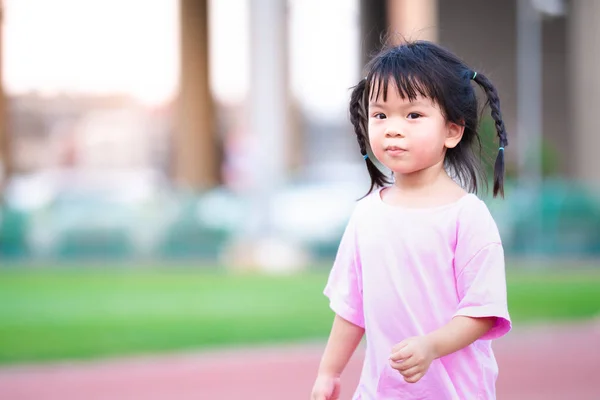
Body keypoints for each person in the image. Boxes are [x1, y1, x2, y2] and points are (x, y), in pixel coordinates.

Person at [310, 40, 512, 399]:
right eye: (380, 115)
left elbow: (482, 311)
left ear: (452, 130)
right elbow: (350, 307)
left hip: (455, 392)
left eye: (413, 115)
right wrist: (329, 371)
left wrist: (431, 346)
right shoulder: (367, 214)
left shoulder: (467, 217)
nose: (393, 128)